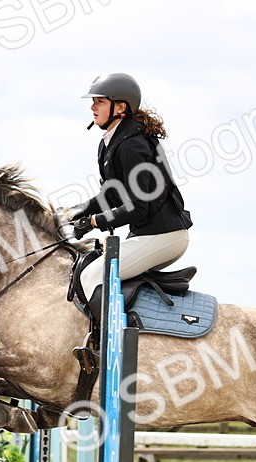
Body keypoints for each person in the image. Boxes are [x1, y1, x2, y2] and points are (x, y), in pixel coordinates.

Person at [60, 72, 193, 372]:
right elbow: (113, 194)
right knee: (85, 268)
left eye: (99, 102)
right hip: (147, 234)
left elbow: (139, 208)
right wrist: (74, 211)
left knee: (94, 276)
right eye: (93, 101)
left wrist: (94, 221)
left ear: (120, 108)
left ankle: (111, 357)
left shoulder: (133, 144)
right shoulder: (112, 142)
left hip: (165, 234)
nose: (92, 107)